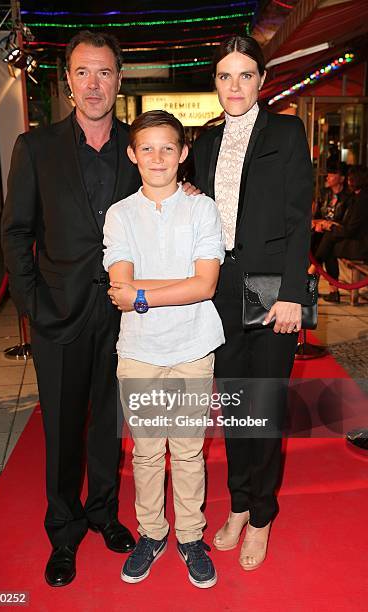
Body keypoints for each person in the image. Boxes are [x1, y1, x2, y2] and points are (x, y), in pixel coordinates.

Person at [2, 30, 197, 588]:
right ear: (67, 81)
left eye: (105, 73)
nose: (94, 84)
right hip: (57, 315)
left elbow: (168, 190)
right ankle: (63, 533)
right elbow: (16, 233)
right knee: (62, 430)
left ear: (119, 80)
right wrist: (33, 305)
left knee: (110, 425)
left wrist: (186, 190)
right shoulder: (35, 148)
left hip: (123, 318)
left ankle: (104, 514)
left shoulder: (136, 150)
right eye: (83, 73)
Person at [192, 35, 312, 570]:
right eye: (224, 76)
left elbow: (297, 219)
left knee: (263, 407)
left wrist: (291, 294)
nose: (234, 86)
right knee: (236, 407)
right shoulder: (205, 142)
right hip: (219, 291)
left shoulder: (287, 132)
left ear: (262, 81)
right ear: (214, 82)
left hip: (271, 290)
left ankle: (262, 515)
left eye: (245, 75)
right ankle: (239, 503)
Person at [103, 110, 224, 588]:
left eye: (167, 148)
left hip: (194, 345)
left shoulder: (202, 208)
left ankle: (190, 536)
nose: (157, 157)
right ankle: (152, 533)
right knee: (148, 453)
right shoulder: (120, 214)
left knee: (190, 452)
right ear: (132, 155)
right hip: (139, 348)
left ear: (184, 154)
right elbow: (119, 283)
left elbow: (207, 284)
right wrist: (175, 285)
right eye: (147, 148)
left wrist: (140, 295)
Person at [311, 165, 368, 298]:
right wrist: (326, 224)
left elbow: (351, 229)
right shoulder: (355, 197)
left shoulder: (359, 199)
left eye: (351, 178)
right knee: (321, 239)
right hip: (352, 237)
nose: (349, 180)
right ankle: (329, 289)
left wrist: (330, 226)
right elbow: (347, 224)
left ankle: (312, 274)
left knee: (328, 241)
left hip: (361, 244)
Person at [310, 162, 352, 302]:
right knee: (315, 241)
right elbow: (316, 216)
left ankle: (310, 278)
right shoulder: (324, 193)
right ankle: (332, 291)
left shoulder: (348, 197)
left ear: (341, 178)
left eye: (333, 174)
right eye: (328, 174)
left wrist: (329, 225)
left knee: (328, 244)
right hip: (323, 232)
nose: (328, 177)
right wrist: (319, 223)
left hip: (338, 235)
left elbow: (347, 224)